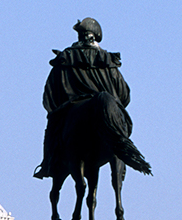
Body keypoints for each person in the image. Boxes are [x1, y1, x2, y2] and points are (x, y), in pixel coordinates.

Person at [34, 18, 136, 180]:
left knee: (51, 131)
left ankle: (47, 164)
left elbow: (49, 94)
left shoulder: (65, 58)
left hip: (71, 106)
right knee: (120, 130)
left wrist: (56, 111)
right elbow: (124, 94)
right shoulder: (108, 60)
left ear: (80, 36)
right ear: (96, 36)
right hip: (106, 109)